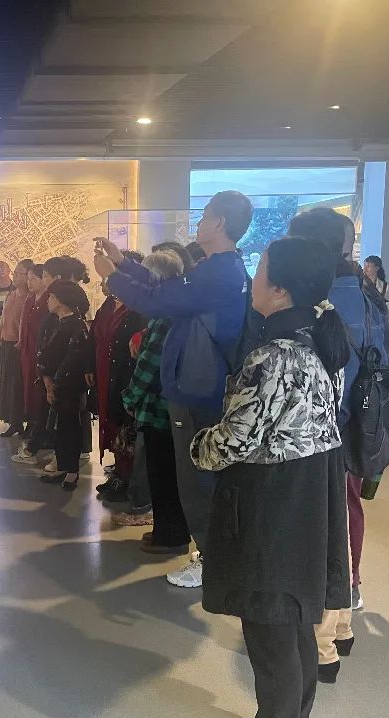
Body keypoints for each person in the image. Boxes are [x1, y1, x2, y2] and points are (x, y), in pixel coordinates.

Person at [192, 236, 351, 718]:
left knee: (270, 629)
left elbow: (235, 439)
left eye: (259, 270)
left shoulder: (274, 355)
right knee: (292, 623)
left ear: (280, 289)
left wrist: (198, 445)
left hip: (273, 501)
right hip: (306, 493)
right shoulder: (318, 340)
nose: (252, 280)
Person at [96, 190, 254, 590]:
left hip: (199, 390)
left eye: (204, 216)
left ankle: (212, 561)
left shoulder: (219, 273)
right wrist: (124, 264)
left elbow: (158, 300)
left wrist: (113, 276)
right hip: (199, 386)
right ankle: (213, 555)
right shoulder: (218, 269)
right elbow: (169, 289)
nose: (199, 223)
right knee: (196, 477)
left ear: (219, 223)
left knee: (199, 480)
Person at [288, 208, 389, 681]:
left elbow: (329, 381)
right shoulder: (365, 294)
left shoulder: (325, 302)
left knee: (322, 532)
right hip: (357, 431)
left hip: (327, 433)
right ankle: (342, 622)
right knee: (344, 520)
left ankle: (322, 641)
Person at [119, 249, 194, 554]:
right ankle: (164, 530)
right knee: (163, 472)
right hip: (167, 404)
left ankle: (171, 536)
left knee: (163, 473)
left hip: (158, 407)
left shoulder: (164, 317)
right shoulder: (174, 310)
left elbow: (150, 363)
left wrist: (130, 397)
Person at [92, 279, 148, 505]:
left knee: (126, 427)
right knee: (112, 423)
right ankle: (118, 473)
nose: (105, 282)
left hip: (125, 375)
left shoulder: (137, 309)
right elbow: (95, 337)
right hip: (106, 373)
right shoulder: (108, 305)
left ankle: (127, 479)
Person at [36, 278, 93, 490]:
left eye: (51, 297)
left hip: (69, 387)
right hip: (56, 385)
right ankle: (62, 466)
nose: (48, 300)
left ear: (61, 300)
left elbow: (73, 359)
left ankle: (71, 471)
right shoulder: (59, 323)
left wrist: (53, 384)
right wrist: (46, 378)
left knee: (70, 428)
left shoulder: (76, 326)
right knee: (60, 429)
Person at [11, 262, 52, 465]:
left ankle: (41, 431)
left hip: (41, 353)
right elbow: (23, 324)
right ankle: (33, 423)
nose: (29, 282)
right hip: (27, 353)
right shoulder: (30, 300)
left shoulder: (48, 301)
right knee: (29, 389)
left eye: (33, 278)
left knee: (40, 393)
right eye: (28, 278)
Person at [0, 260, 31, 437]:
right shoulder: (11, 295)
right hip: (6, 345)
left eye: (19, 273)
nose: (15, 276)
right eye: (15, 273)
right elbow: (3, 319)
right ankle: (13, 421)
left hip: (19, 346)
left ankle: (21, 420)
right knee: (7, 384)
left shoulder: (29, 298)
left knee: (18, 386)